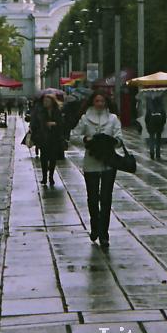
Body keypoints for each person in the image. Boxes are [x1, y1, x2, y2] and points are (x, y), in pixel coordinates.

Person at [73, 91, 125, 249]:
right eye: (97, 101)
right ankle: (94, 225)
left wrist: (112, 141)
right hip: (91, 162)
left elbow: (120, 138)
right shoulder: (85, 119)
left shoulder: (113, 119)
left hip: (109, 162)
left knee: (106, 198)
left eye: (102, 101)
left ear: (106, 103)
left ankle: (104, 234)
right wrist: (86, 140)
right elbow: (74, 135)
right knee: (93, 197)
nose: (100, 104)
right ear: (92, 102)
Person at [30, 94, 64, 186]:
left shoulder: (57, 111)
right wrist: (44, 125)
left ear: (52, 102)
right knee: (44, 158)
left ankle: (51, 176)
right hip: (43, 137)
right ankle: (44, 177)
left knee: (53, 158)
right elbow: (35, 124)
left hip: (54, 138)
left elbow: (62, 124)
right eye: (44, 101)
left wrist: (55, 124)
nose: (46, 103)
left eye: (48, 101)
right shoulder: (40, 111)